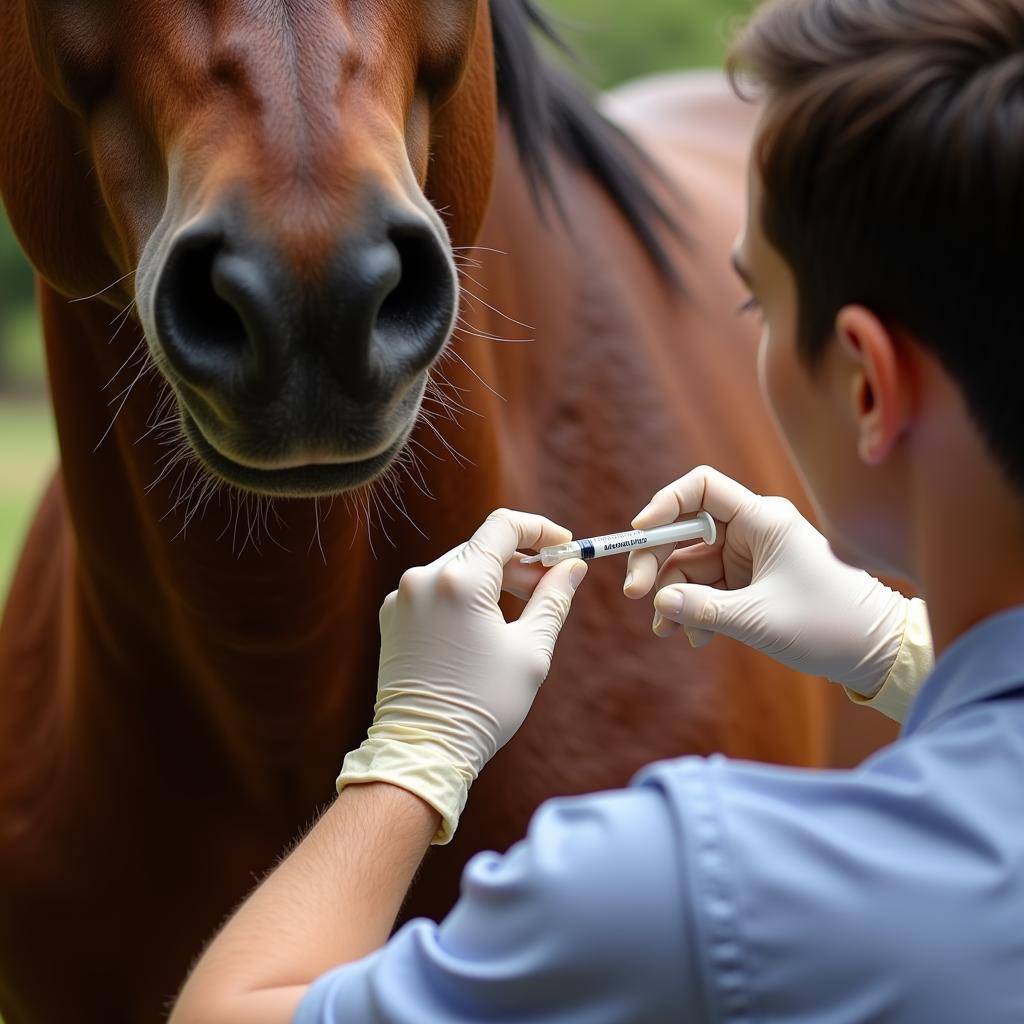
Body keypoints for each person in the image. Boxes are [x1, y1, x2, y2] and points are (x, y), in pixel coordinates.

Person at [170, 0, 1024, 1020]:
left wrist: (414, 748)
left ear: (867, 387)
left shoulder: (677, 889)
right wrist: (896, 648)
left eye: (755, 301)